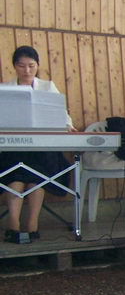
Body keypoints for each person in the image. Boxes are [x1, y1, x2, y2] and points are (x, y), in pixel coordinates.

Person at [0, 46, 73, 243]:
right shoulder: (6, 88)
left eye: (31, 66)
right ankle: (13, 224)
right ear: (15, 66)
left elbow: (61, 112)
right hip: (16, 146)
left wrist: (67, 125)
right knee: (14, 172)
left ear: (37, 66)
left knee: (37, 174)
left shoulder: (48, 87)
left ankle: (32, 224)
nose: (27, 71)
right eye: (22, 66)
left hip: (42, 146)